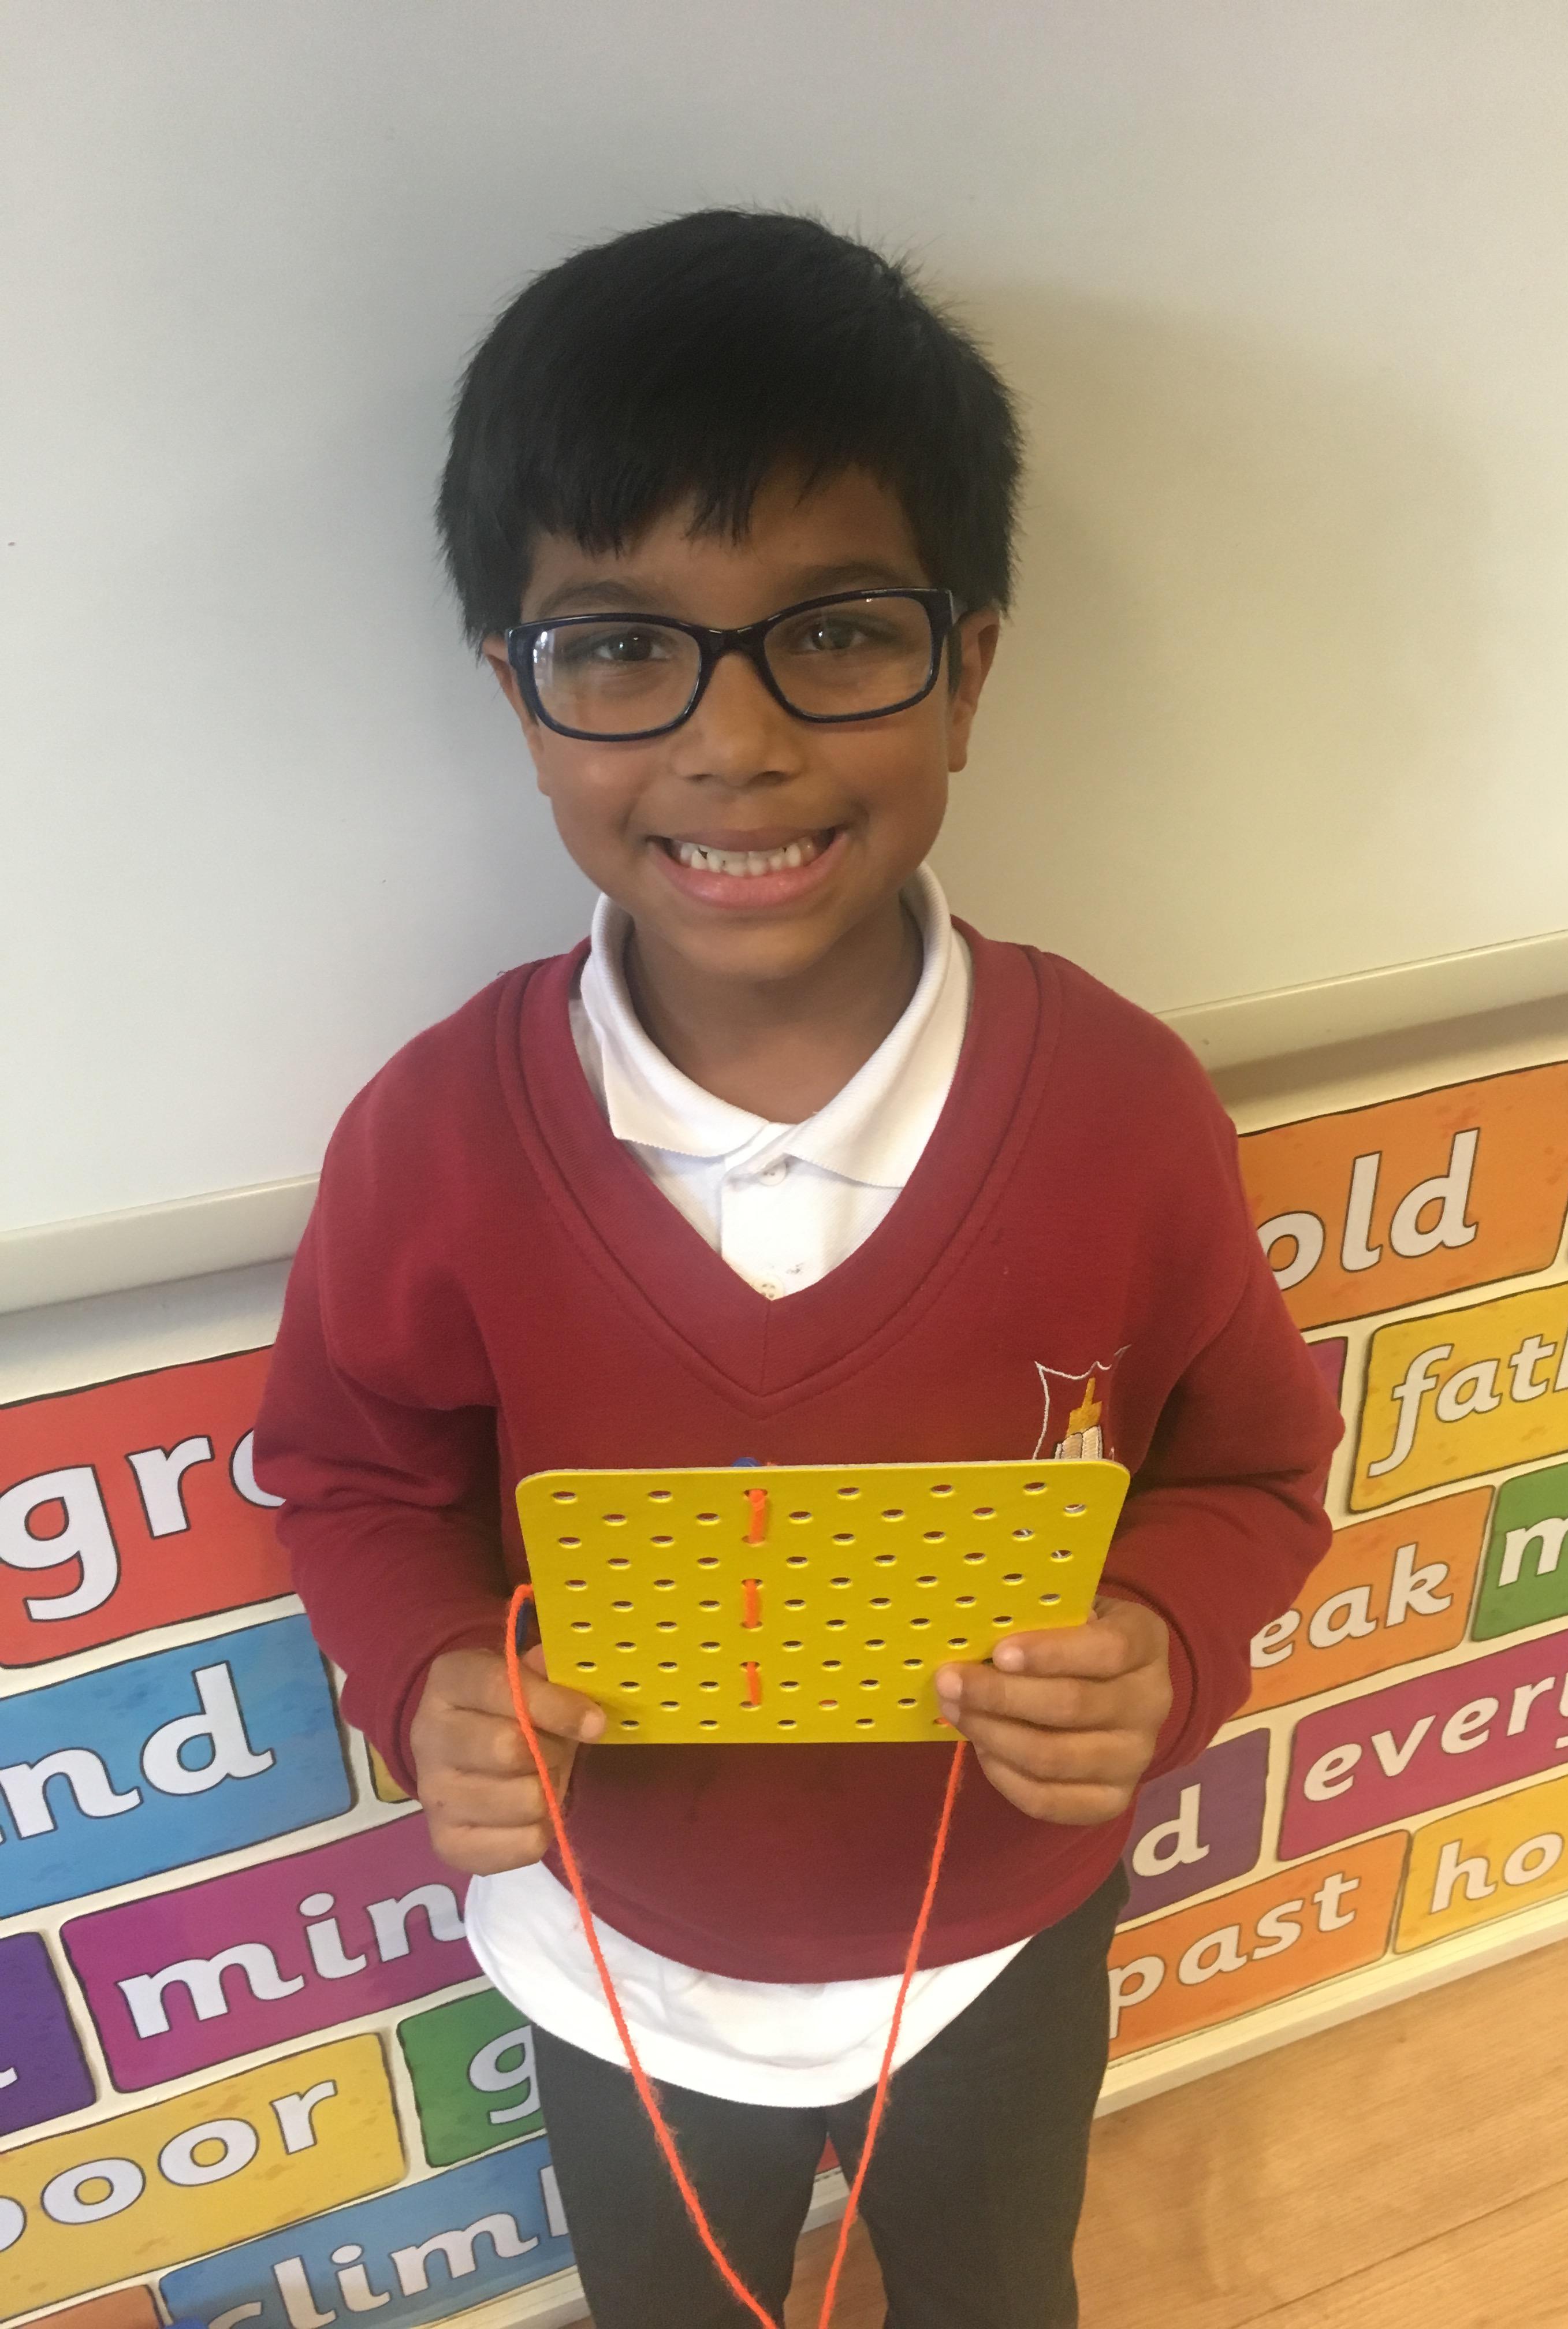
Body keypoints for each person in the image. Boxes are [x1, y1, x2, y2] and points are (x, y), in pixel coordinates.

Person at [255, 208, 1342, 2329]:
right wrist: (426, 1673)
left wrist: (1162, 1642)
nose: (733, 742)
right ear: (517, 692)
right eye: (618, 647)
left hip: (995, 1941)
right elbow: (355, 1477)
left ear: (970, 665)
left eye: (834, 634)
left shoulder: (1122, 1108)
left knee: (997, 2295)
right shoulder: (435, 1132)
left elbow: (1252, 1474)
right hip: (614, 1954)